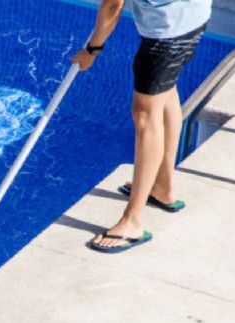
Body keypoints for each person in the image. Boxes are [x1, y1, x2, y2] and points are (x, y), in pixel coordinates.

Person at [72, 0, 211, 253]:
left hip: (167, 34)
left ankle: (133, 221)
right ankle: (163, 188)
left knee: (145, 116)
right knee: (166, 94)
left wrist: (92, 49)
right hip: (193, 16)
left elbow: (113, 5)